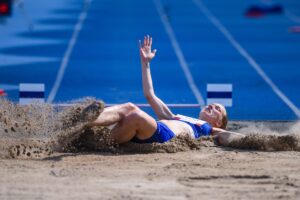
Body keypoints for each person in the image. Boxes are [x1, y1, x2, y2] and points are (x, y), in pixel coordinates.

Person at [85, 35, 244, 146]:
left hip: (163, 135)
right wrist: (145, 63)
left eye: (218, 109)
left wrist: (259, 140)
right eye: (213, 104)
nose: (212, 106)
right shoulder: (176, 117)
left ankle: (92, 135)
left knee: (131, 110)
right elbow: (149, 94)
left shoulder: (208, 130)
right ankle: (83, 122)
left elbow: (227, 136)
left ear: (218, 123)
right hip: (151, 131)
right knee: (127, 111)